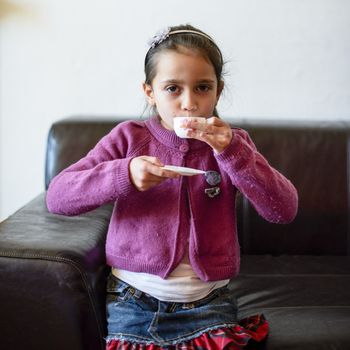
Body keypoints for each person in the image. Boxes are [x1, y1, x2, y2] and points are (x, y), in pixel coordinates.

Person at [46, 24, 298, 349]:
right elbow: (59, 196)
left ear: (218, 91)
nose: (189, 103)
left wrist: (232, 151)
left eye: (203, 87)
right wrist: (124, 174)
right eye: (173, 89)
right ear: (149, 91)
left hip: (209, 303)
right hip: (133, 301)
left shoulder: (234, 145)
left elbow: (284, 209)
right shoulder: (129, 139)